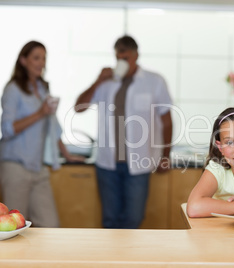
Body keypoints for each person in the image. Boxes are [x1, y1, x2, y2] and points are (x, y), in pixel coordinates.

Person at [74, 35, 173, 229]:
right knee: (110, 221)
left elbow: (167, 121)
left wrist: (165, 155)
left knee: (133, 220)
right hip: (107, 164)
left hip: (139, 165)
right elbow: (79, 107)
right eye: (119, 58)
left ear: (136, 56)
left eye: (126, 58)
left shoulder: (155, 81)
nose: (122, 62)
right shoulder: (106, 83)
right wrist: (97, 81)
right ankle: (111, 260)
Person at [0, 41, 85, 227]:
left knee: (50, 226)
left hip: (38, 169)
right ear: (23, 60)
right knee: (14, 228)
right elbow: (7, 129)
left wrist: (67, 154)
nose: (41, 63)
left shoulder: (42, 88)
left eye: (44, 58)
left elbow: (52, 126)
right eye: (36, 58)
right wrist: (40, 113)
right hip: (16, 168)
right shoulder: (13, 89)